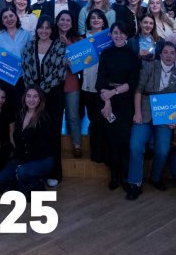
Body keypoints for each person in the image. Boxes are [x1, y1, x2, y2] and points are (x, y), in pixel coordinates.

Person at [128, 42, 176, 198]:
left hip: (165, 117)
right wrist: (137, 113)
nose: (168, 55)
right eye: (165, 52)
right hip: (144, 112)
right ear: (160, 54)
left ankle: (155, 177)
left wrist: (175, 120)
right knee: (135, 147)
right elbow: (138, 90)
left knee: (162, 150)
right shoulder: (149, 66)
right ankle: (134, 182)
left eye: (172, 53)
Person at [20, 15, 67, 184]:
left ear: (52, 30)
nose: (44, 31)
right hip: (33, 97)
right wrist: (34, 93)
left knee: (52, 134)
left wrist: (40, 91)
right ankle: (35, 171)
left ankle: (54, 173)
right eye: (41, 27)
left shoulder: (59, 46)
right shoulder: (28, 46)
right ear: (37, 29)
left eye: (48, 28)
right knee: (34, 134)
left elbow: (59, 73)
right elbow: (25, 69)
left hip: (53, 96)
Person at [95, 23, 140, 194]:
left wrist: (113, 92)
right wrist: (107, 101)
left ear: (126, 35)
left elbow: (133, 82)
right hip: (107, 101)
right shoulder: (106, 54)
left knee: (124, 140)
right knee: (111, 140)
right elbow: (101, 80)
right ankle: (114, 176)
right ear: (111, 35)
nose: (118, 36)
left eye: (121, 33)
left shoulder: (132, 55)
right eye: (115, 32)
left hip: (125, 101)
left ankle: (125, 176)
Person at [0, 87, 58, 192]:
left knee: (22, 172)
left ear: (40, 99)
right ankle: (26, 186)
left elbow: (41, 148)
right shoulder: (20, 115)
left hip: (43, 160)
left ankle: (38, 186)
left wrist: (21, 164)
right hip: (24, 158)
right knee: (1, 178)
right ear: (24, 98)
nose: (31, 99)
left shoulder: (44, 118)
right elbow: (18, 140)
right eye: (28, 96)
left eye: (35, 96)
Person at [80, 10, 109, 163]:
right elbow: (77, 63)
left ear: (104, 21)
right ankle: (95, 153)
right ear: (88, 21)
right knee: (93, 120)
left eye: (99, 17)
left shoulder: (110, 38)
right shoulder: (82, 39)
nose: (96, 20)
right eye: (93, 18)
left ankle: (105, 152)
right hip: (87, 86)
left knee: (104, 120)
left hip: (105, 88)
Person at [55, 10, 84, 158]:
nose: (65, 22)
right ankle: (53, 146)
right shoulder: (51, 38)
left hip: (71, 82)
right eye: (62, 19)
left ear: (72, 24)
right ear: (57, 22)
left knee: (73, 116)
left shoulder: (77, 40)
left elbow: (80, 66)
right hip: (54, 85)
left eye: (68, 20)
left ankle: (77, 145)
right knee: (54, 116)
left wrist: (67, 45)